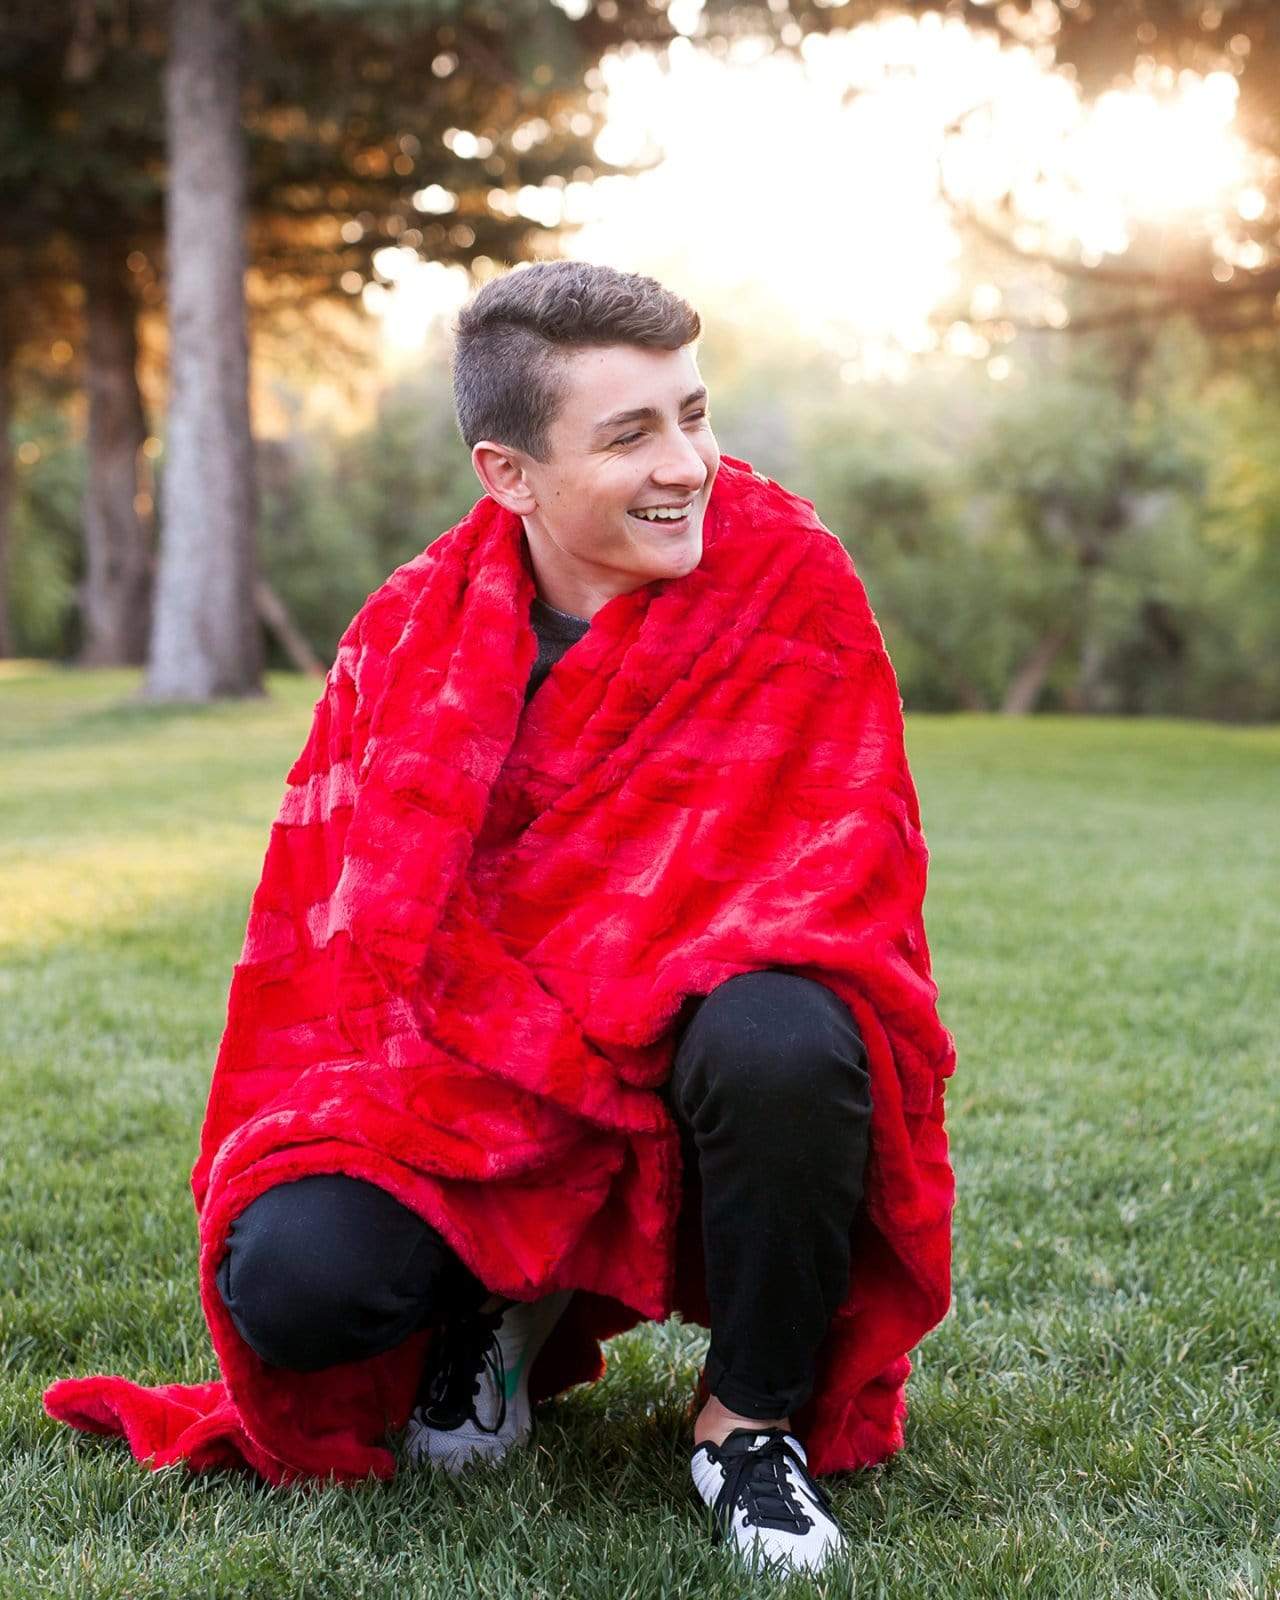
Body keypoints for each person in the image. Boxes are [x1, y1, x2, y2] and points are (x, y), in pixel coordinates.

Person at [46, 260, 955, 1583]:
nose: (689, 464)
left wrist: (620, 1005)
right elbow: (349, 939)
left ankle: (748, 1423)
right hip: (472, 1072)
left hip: (701, 1044)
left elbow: (837, 874)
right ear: (507, 474)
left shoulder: (789, 581)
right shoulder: (411, 635)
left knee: (791, 1037)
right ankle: (495, 1289)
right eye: (632, 433)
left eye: (694, 413)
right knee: (295, 1285)